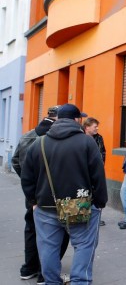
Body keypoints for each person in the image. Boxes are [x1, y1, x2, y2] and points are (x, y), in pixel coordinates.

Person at [20, 104, 107, 284]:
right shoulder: (87, 142)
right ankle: (79, 281)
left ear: (57, 119)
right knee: (84, 245)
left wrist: (33, 201)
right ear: (76, 120)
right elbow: (98, 175)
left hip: (45, 206)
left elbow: (27, 177)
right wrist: (100, 202)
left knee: (48, 248)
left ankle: (51, 282)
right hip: (80, 205)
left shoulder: (39, 143)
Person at [12, 106, 70, 284]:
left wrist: (28, 185)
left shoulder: (28, 135)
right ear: (59, 118)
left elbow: (15, 161)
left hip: (32, 194)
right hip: (54, 194)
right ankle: (46, 275)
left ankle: (29, 268)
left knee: (31, 229)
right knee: (58, 233)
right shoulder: (57, 138)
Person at [83, 117, 107, 226]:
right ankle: (83, 215)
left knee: (97, 193)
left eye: (97, 126)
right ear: (87, 127)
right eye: (95, 126)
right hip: (83, 172)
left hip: (96, 171)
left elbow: (102, 152)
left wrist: (100, 166)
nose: (97, 128)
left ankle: (96, 216)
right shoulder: (80, 138)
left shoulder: (98, 138)